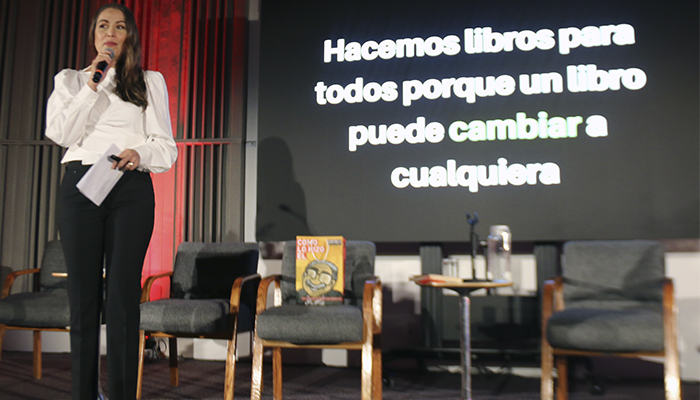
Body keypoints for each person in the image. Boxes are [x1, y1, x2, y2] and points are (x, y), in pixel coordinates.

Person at [44, 3, 177, 399]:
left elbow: (166, 148)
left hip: (129, 185)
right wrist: (92, 86)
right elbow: (60, 133)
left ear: (129, 35)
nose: (111, 32)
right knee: (82, 300)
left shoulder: (148, 81)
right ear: (94, 35)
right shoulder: (70, 80)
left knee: (122, 298)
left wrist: (141, 153)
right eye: (103, 25)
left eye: (120, 26)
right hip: (81, 185)